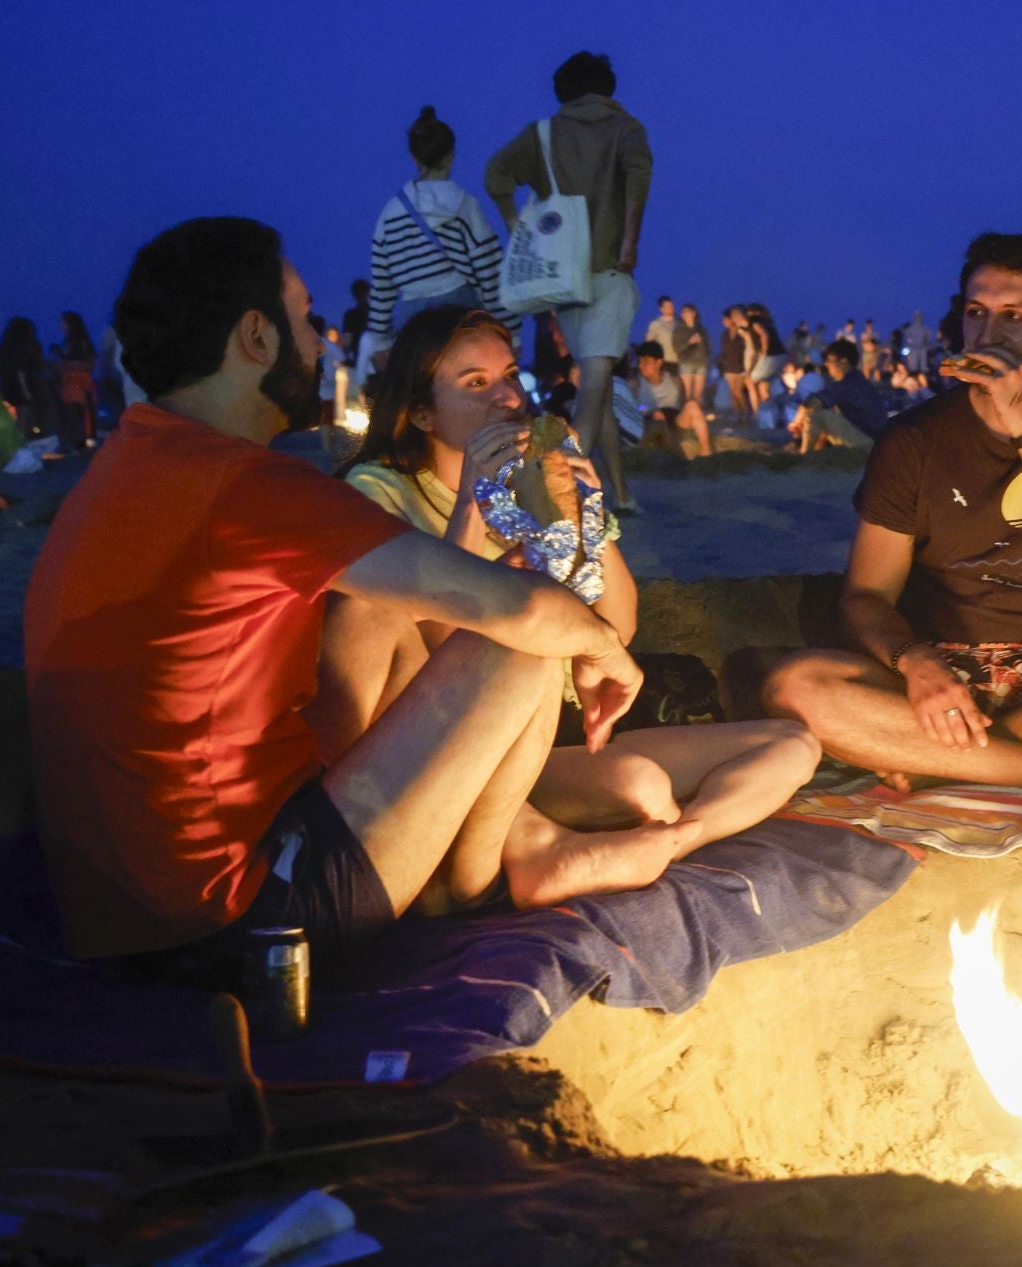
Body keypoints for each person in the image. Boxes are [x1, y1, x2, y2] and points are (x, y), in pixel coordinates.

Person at [24, 216, 660, 979]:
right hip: (241, 918)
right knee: (522, 639)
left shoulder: (135, 461)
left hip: (122, 910)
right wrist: (602, 648)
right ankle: (473, 880)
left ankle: (481, 853)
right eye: (303, 318)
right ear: (256, 338)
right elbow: (518, 610)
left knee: (377, 607)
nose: (322, 339)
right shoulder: (244, 485)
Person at [316, 306, 811, 905]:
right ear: (420, 412)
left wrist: (588, 508)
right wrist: (473, 502)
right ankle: (534, 849)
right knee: (641, 785)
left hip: (568, 729)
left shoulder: (536, 479)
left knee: (791, 745)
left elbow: (618, 627)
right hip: (468, 735)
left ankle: (675, 844)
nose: (506, 398)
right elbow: (435, 654)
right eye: (476, 384)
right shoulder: (381, 491)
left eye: (509, 377)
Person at [764, 232, 1022, 802]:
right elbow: (865, 597)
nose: (990, 334)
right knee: (794, 687)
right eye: (976, 314)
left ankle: (940, 756)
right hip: (936, 665)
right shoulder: (914, 439)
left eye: (1014, 316)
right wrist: (915, 664)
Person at [486, 51, 652, 513]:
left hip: (563, 275)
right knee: (594, 386)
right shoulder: (628, 130)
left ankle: (620, 493)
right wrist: (630, 244)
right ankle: (567, 491)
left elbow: (495, 175)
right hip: (611, 270)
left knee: (595, 382)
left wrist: (516, 222)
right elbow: (638, 186)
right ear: (607, 87)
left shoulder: (543, 134)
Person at [367, 106, 510, 363]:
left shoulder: (391, 212)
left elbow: (382, 284)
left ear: (414, 157)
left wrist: (380, 339)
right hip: (460, 309)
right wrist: (510, 329)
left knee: (424, 390)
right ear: (451, 155)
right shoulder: (464, 205)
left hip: (411, 318)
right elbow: (490, 270)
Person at [791, 339, 886, 453]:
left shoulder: (846, 384)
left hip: (868, 443)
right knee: (825, 413)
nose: (826, 364)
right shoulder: (857, 380)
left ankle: (804, 457)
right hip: (875, 440)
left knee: (815, 413)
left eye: (829, 360)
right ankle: (814, 454)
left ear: (843, 362)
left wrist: (796, 422)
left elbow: (811, 403)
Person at [628, 340, 713, 458]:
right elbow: (630, 410)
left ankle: (706, 451)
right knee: (658, 422)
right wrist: (650, 411)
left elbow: (684, 405)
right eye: (640, 362)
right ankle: (678, 459)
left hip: (674, 421)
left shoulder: (674, 380)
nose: (641, 366)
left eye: (646, 362)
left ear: (658, 362)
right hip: (649, 423)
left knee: (693, 405)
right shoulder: (636, 383)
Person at [0, 316, 62, 440]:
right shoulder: (24, 347)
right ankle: (22, 441)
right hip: (22, 384)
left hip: (11, 385)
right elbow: (32, 365)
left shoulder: (6, 347)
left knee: (23, 414)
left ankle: (20, 441)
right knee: (26, 413)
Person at [54, 311, 99, 447]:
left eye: (64, 322)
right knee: (71, 413)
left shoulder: (82, 342)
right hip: (69, 382)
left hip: (81, 381)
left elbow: (90, 363)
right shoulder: (66, 343)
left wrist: (70, 365)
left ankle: (88, 442)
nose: (61, 325)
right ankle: (75, 442)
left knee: (84, 411)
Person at [717, 305, 753, 424]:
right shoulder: (724, 334)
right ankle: (738, 416)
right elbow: (724, 352)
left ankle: (746, 415)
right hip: (729, 367)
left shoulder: (741, 332)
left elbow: (748, 348)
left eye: (726, 319)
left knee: (738, 392)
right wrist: (723, 364)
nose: (724, 322)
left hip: (740, 366)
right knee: (733, 393)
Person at [672, 302, 711, 407]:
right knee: (688, 395)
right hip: (686, 362)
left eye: (688, 311)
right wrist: (689, 342)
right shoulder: (679, 329)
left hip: (701, 363)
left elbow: (708, 347)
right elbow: (676, 348)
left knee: (698, 395)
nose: (685, 314)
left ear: (694, 313)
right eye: (683, 312)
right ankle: (688, 418)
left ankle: (695, 417)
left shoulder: (701, 329)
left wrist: (706, 359)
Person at [644, 295, 680, 369]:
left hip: (677, 362)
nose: (671, 308)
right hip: (662, 362)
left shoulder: (678, 324)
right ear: (661, 309)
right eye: (667, 306)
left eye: (671, 305)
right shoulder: (656, 324)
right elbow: (648, 342)